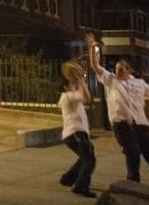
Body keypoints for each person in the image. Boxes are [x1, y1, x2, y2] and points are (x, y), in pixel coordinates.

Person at [85, 32, 149, 187]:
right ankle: (133, 182)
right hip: (122, 124)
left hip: (141, 123)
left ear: (129, 71)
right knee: (133, 151)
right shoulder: (112, 81)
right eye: (116, 69)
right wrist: (92, 48)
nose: (118, 72)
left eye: (121, 69)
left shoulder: (139, 83)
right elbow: (95, 67)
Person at [58, 61, 96, 198]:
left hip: (77, 133)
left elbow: (84, 95)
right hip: (75, 133)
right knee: (89, 160)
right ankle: (80, 187)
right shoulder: (68, 97)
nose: (75, 86)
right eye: (72, 84)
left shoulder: (72, 98)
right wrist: (79, 78)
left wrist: (79, 78)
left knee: (87, 157)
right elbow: (87, 96)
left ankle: (67, 178)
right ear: (66, 86)